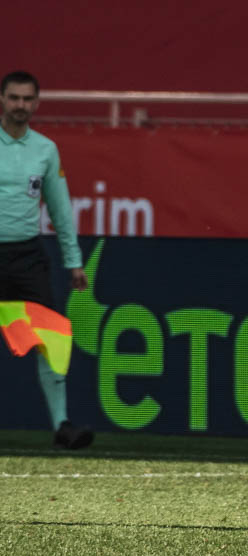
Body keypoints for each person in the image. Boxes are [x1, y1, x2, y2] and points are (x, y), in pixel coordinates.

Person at [0, 70, 92, 449]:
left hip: (26, 256)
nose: (20, 105)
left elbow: (60, 208)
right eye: (14, 97)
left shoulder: (45, 150)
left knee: (51, 337)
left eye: (27, 99)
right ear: (2, 99)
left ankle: (62, 425)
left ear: (36, 103)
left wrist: (74, 261)